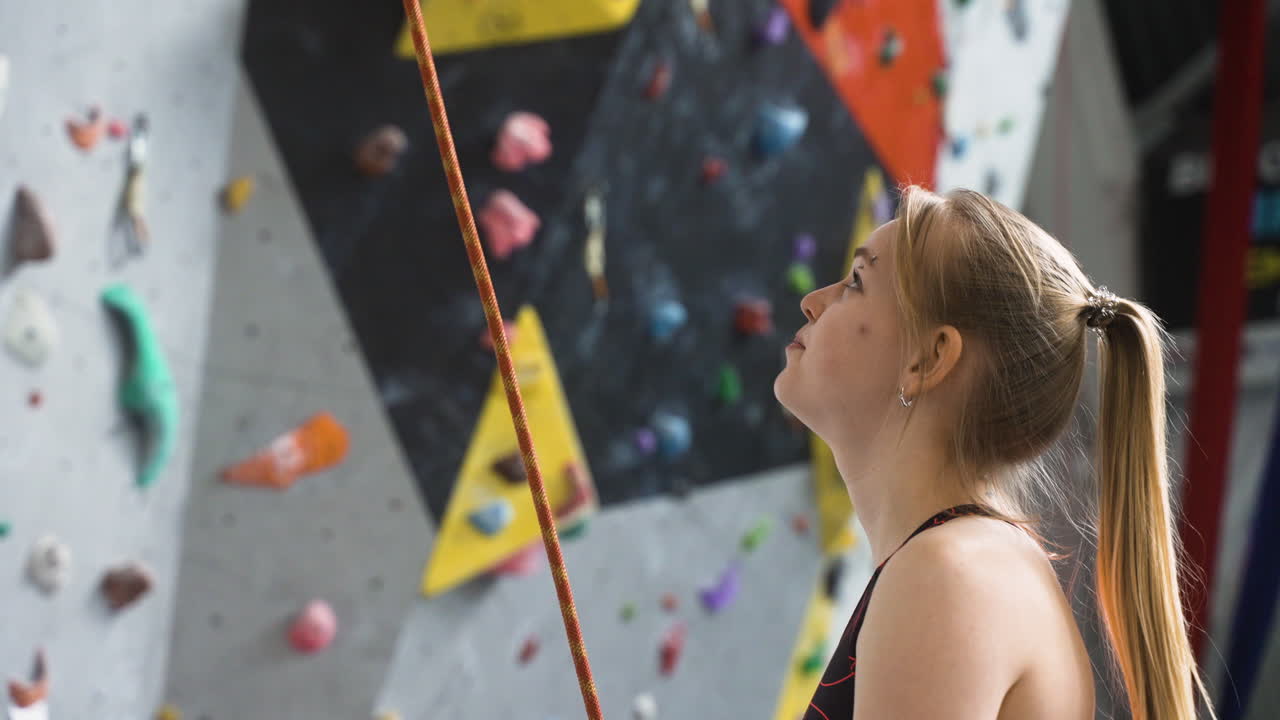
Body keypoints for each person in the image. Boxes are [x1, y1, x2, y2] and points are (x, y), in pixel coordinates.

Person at [775, 186, 1213, 720]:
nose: (813, 301)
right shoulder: (960, 564)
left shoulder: (946, 575)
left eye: (857, 283)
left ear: (929, 358)